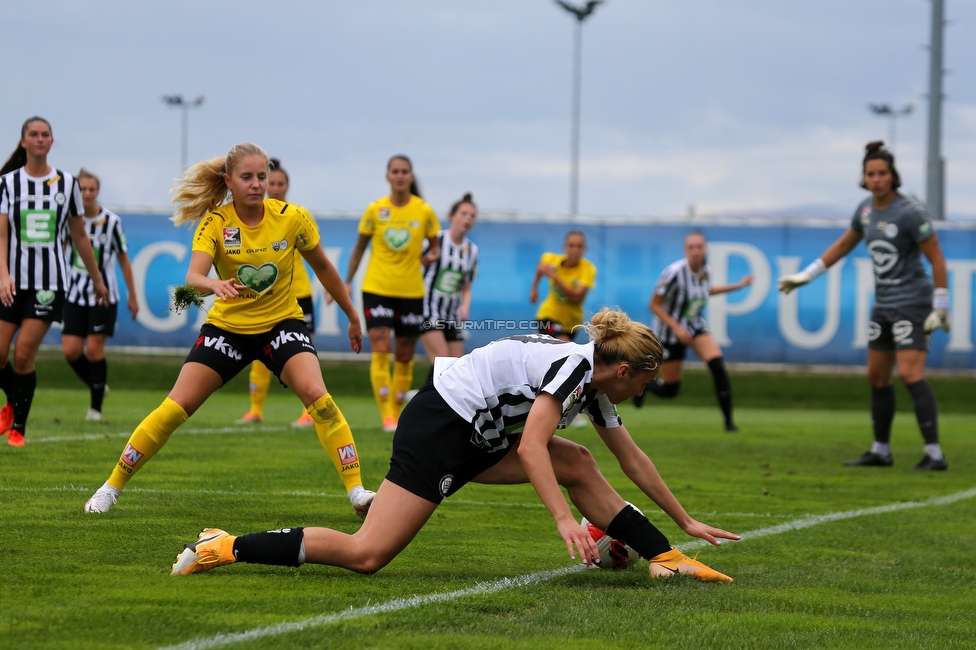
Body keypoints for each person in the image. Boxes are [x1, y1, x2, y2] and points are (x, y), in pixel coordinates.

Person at [169, 308, 739, 583]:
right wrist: (564, 521)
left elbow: (631, 458)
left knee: (582, 461)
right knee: (368, 554)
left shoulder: (594, 383)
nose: (649, 386)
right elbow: (535, 448)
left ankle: (663, 558)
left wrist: (684, 526)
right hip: (441, 425)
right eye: (646, 377)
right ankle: (225, 545)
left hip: (478, 430)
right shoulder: (573, 367)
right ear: (620, 369)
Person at [84, 143, 376, 517]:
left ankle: (357, 493)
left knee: (319, 397)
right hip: (228, 328)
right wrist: (214, 285)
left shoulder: (293, 217)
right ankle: (110, 487)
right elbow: (192, 278)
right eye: (247, 177)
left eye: (262, 177)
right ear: (229, 181)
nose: (256, 184)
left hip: (280, 325)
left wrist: (353, 315)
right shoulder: (215, 223)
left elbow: (323, 268)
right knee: (175, 408)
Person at [779, 141, 951, 470]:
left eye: (882, 173)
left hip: (912, 302)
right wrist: (807, 275)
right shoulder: (866, 210)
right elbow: (844, 244)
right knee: (876, 376)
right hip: (883, 304)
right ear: (864, 177)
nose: (876, 179)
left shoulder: (911, 212)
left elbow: (937, 258)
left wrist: (940, 305)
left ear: (893, 175)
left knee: (911, 374)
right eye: (870, 173)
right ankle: (880, 450)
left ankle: (934, 454)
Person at [0, 117, 108, 447]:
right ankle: (10, 401)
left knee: (23, 356)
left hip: (49, 284)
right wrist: (3, 274)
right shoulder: (8, 183)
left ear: (51, 141)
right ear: (23, 142)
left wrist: (97, 279)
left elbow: (79, 234)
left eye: (45, 134)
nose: (40, 139)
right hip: (11, 282)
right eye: (33, 134)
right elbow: (1, 233)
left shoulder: (67, 184)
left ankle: (18, 425)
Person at [342, 155, 440, 432]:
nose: (399, 176)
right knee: (382, 349)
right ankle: (387, 415)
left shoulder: (423, 211)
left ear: (411, 176)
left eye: (404, 171)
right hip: (377, 289)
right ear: (387, 176)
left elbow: (435, 247)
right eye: (395, 171)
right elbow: (359, 248)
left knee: (405, 356)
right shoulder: (376, 210)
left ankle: (396, 413)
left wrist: (428, 257)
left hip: (411, 292)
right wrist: (347, 281)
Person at [633, 230, 753, 433]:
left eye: (699, 247)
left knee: (717, 365)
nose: (696, 251)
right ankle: (643, 386)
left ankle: (729, 423)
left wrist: (737, 287)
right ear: (685, 250)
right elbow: (654, 305)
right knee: (670, 391)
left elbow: (706, 290)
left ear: (705, 249)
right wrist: (677, 328)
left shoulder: (706, 270)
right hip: (670, 331)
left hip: (694, 324)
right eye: (691, 247)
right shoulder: (674, 273)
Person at [237, 157, 318, 428]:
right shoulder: (254, 216)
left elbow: (315, 255)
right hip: (266, 295)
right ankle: (255, 410)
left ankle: (309, 411)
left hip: (299, 293)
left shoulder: (297, 214)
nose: (276, 187)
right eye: (271, 183)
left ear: (288, 186)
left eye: (280, 183)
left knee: (303, 353)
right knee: (259, 352)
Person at [61, 168, 139, 421]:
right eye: (82, 189)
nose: (86, 193)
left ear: (97, 191)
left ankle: (95, 409)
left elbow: (124, 260)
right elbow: (59, 251)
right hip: (74, 294)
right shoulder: (69, 220)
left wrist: (133, 296)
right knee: (71, 352)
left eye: (91, 189)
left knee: (95, 350)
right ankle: (98, 385)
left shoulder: (112, 222)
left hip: (103, 296)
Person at [419, 192, 479, 363]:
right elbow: (414, 268)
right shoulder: (435, 241)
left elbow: (467, 287)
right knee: (442, 360)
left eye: (472, 216)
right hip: (427, 310)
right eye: (464, 214)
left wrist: (465, 307)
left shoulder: (472, 250)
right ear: (452, 216)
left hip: (451, 315)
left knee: (457, 366)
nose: (468, 219)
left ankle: (425, 391)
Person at [529, 230, 596, 342]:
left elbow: (576, 298)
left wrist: (555, 277)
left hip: (572, 323)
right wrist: (534, 289)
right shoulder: (551, 259)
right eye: (571, 245)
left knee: (557, 355)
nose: (575, 249)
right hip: (548, 316)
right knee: (565, 345)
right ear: (565, 247)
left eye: (579, 246)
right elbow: (540, 267)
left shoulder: (588, 268)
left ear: (584, 249)